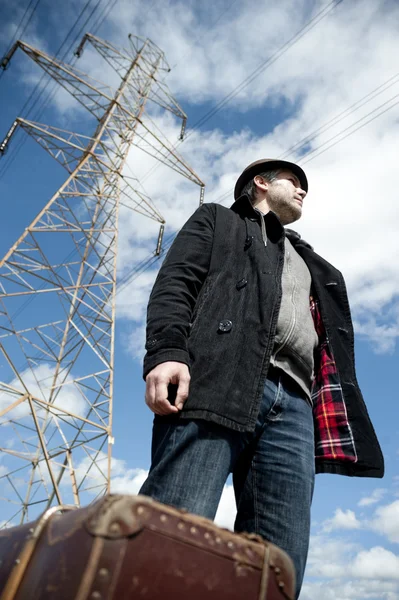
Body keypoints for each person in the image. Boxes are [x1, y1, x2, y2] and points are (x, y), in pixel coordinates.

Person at [139, 158, 384, 599]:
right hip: (217, 380)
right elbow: (176, 282)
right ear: (261, 183)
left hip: (294, 406)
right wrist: (167, 352)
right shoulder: (218, 220)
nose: (304, 190)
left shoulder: (313, 264)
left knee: (279, 562)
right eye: (295, 181)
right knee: (173, 528)